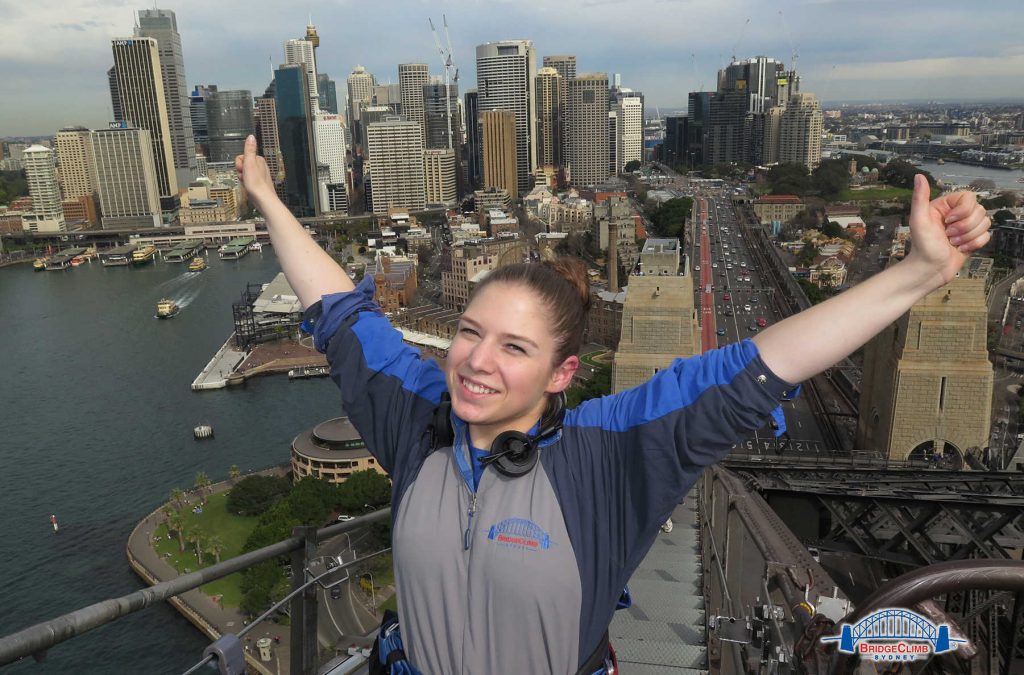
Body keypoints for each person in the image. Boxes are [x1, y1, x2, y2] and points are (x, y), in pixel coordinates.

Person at [236, 136, 989, 674]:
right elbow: (340, 312)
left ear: (563, 373)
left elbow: (764, 363)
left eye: (515, 348)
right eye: (471, 332)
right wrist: (268, 196)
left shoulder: (610, 450)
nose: (476, 360)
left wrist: (921, 273)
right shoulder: (415, 418)